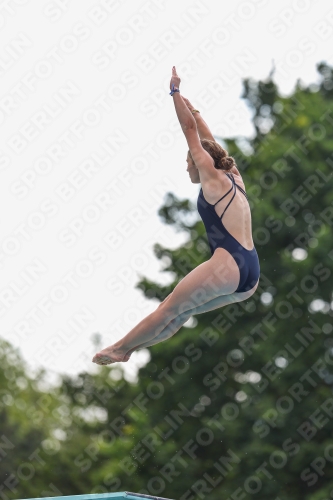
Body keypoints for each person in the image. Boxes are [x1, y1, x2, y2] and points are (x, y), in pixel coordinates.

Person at [92, 66, 260, 365]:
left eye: (189, 161)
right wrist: (193, 107)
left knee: (170, 307)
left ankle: (120, 347)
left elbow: (192, 132)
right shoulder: (233, 174)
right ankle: (129, 349)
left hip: (228, 265)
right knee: (183, 311)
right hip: (250, 275)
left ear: (201, 161)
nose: (187, 167)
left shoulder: (211, 176)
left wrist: (174, 93)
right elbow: (205, 132)